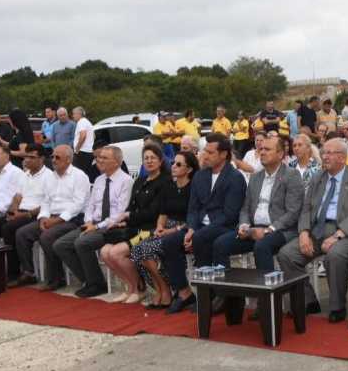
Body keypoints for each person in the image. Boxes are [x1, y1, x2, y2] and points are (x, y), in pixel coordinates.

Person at [277, 138, 348, 322]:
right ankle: (308, 300)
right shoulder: (317, 178)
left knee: (335, 255)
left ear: (343, 158)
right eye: (323, 152)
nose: (324, 156)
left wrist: (337, 235)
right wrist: (304, 232)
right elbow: (306, 208)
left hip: (345, 232)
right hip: (317, 230)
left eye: (330, 153)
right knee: (286, 254)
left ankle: (338, 306)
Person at [163, 134, 247, 313]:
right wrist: (191, 228)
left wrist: (199, 232)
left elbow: (230, 215)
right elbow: (193, 209)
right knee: (169, 242)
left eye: (210, 152)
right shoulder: (201, 176)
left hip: (223, 226)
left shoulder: (235, 177)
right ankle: (185, 293)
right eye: (205, 151)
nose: (205, 155)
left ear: (224, 154)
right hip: (198, 225)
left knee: (202, 238)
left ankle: (212, 295)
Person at [212, 136, 303, 272]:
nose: (262, 152)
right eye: (260, 149)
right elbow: (245, 208)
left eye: (267, 149)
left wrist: (268, 230)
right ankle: (232, 293)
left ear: (280, 154)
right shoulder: (255, 177)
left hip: (280, 230)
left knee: (261, 246)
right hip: (254, 229)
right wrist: (244, 225)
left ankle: (268, 292)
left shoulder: (291, 175)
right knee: (220, 244)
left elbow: (293, 212)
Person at [53, 146, 134, 298]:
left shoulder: (126, 181)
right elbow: (90, 205)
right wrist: (89, 221)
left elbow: (119, 214)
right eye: (99, 157)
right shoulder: (99, 179)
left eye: (104, 158)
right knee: (60, 245)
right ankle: (89, 280)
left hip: (111, 227)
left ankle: (96, 284)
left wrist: (96, 226)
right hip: (93, 224)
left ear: (116, 162)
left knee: (82, 243)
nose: (99, 160)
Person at [98, 144, 170, 304]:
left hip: (149, 230)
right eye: (146, 158)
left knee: (116, 252)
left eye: (153, 158)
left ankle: (139, 288)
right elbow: (131, 206)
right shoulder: (141, 180)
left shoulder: (165, 181)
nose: (149, 161)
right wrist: (124, 219)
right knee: (105, 251)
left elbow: (153, 213)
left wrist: (129, 216)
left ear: (161, 161)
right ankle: (129, 287)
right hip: (134, 228)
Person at [12, 145, 90, 288]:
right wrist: (43, 218)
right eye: (52, 157)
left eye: (57, 157)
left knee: (47, 236)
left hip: (73, 219)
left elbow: (77, 205)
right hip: (51, 217)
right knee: (22, 233)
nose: (53, 160)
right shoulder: (51, 177)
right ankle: (29, 273)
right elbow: (46, 201)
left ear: (68, 160)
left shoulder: (79, 176)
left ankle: (56, 278)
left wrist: (56, 220)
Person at [129, 151, 198, 309]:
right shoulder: (163, 186)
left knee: (145, 249)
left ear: (189, 169)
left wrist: (169, 230)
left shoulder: (191, 188)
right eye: (173, 162)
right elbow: (162, 212)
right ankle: (159, 288)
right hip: (158, 227)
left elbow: (192, 217)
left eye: (179, 164)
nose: (174, 166)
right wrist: (160, 227)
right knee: (134, 247)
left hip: (181, 228)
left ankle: (166, 290)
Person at [0, 144, 53, 282]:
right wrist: (14, 210)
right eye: (26, 156)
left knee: (9, 229)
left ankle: (20, 272)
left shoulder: (49, 176)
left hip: (35, 215)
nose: (27, 160)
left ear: (41, 159)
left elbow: (48, 204)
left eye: (32, 157)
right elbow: (17, 196)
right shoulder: (25, 175)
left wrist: (23, 215)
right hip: (20, 212)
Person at [71, 106, 95, 174]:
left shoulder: (81, 122)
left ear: (79, 114)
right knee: (86, 173)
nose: (73, 116)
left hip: (82, 152)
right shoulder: (87, 122)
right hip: (87, 152)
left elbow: (83, 135)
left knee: (80, 173)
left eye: (74, 114)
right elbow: (94, 135)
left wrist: (77, 149)